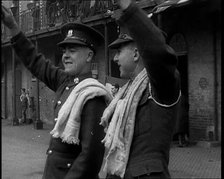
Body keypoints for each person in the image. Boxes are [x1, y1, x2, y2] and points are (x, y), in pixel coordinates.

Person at [2, 5, 113, 179]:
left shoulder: (93, 95)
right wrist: (13, 27)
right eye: (64, 51)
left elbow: (90, 158)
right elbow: (35, 62)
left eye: (73, 50)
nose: (65, 56)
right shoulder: (64, 81)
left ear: (89, 56)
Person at [99, 0, 181, 178]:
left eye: (119, 51)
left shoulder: (160, 84)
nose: (115, 59)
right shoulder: (126, 91)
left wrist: (129, 7)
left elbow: (158, 53)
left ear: (136, 53)